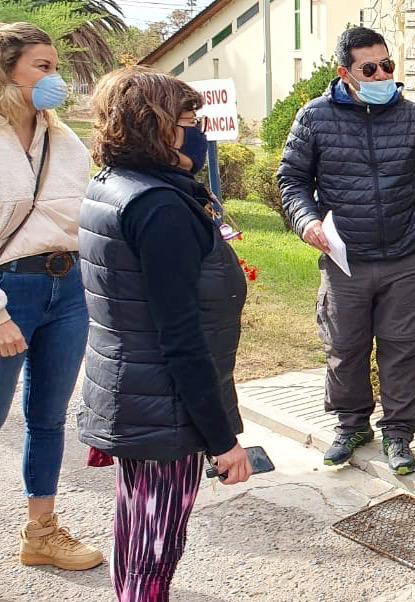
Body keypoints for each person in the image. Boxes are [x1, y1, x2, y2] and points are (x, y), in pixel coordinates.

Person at [78, 66, 253, 600]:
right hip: (163, 409)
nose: (198, 129)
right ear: (155, 127)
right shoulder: (158, 207)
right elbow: (180, 337)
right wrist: (223, 441)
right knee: (153, 551)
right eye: (187, 120)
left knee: (135, 538)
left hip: (134, 393)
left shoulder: (114, 184)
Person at [279, 27, 415, 473]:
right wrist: (306, 220)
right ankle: (351, 425)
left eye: (387, 65)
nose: (382, 74)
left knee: (402, 349)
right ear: (345, 73)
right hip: (344, 261)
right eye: (369, 68)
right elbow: (293, 180)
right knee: (345, 347)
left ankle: (399, 434)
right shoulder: (314, 118)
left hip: (404, 259)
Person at [0, 22, 103, 571]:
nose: (55, 78)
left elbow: (85, 214)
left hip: (68, 287)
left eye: (56, 65)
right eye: (43, 66)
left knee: (48, 416)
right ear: (6, 70)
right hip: (7, 288)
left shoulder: (62, 138)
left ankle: (41, 533)